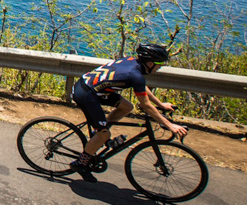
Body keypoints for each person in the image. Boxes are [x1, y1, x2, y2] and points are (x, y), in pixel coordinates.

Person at [69, 42, 188, 182]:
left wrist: (160, 104)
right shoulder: (135, 74)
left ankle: (99, 131)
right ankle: (81, 163)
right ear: (150, 63)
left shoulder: (132, 62)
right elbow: (145, 105)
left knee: (127, 107)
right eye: (159, 64)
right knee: (105, 134)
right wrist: (170, 125)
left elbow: (141, 86)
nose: (160, 67)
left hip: (93, 88)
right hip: (86, 94)